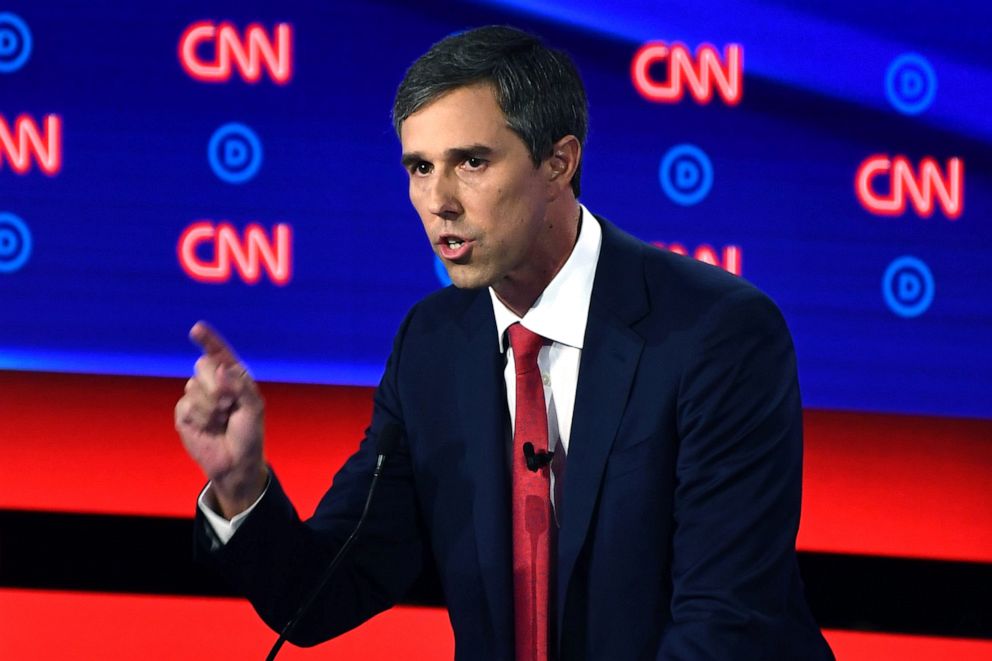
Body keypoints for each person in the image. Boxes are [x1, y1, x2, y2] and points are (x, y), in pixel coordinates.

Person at [176, 25, 834, 660]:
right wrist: (241, 484)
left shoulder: (717, 333)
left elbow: (725, 626)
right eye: (419, 167)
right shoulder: (432, 344)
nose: (439, 200)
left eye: (471, 162)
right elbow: (321, 597)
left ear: (558, 162)